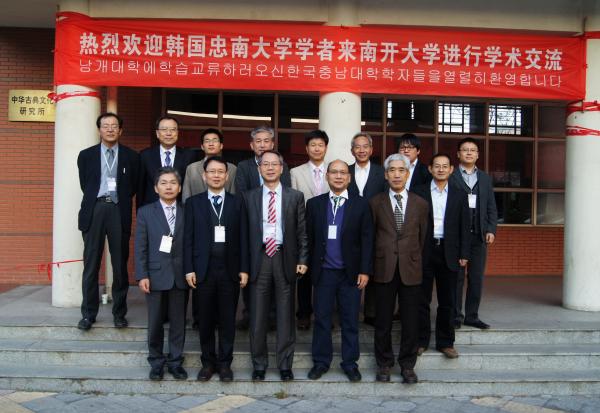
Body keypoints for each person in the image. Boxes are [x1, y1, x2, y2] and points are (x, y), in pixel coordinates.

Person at [240, 150, 308, 382]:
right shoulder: (248, 197)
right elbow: (243, 235)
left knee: (285, 315)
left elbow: (302, 231)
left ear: (281, 168)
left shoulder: (295, 196)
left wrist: (302, 260)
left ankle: (285, 364)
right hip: (259, 259)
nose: (270, 168)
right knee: (257, 316)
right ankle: (259, 364)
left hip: (284, 257)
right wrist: (243, 267)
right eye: (265, 164)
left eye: (274, 164)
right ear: (259, 168)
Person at [306, 160, 373, 382]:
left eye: (343, 172)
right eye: (333, 172)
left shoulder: (361, 204)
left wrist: (364, 270)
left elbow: (367, 240)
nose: (338, 176)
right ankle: (321, 362)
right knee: (322, 319)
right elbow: (308, 238)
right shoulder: (314, 204)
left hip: (350, 273)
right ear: (327, 176)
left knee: (350, 320)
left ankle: (350, 363)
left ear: (349, 178)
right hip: (323, 272)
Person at [184, 156, 246, 382]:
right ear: (204, 176)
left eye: (221, 171)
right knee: (206, 319)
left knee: (228, 319)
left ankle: (225, 364)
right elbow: (188, 239)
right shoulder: (193, 203)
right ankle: (208, 363)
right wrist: (189, 269)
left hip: (230, 270)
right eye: (212, 171)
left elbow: (244, 238)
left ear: (227, 176)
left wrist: (244, 268)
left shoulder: (237, 202)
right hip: (203, 270)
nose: (216, 175)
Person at [77, 112, 139, 331]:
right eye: (106, 126)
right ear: (99, 130)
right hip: (95, 209)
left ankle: (119, 314)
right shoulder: (86, 155)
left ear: (120, 130)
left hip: (118, 210)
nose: (110, 129)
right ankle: (88, 314)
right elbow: (86, 184)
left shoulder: (132, 157)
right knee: (91, 265)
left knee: (120, 266)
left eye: (114, 126)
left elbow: (132, 187)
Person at [369, 153, 428, 384]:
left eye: (401, 170)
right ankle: (384, 363)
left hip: (410, 268)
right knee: (382, 320)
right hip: (383, 267)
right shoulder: (375, 203)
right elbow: (371, 236)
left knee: (410, 321)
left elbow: (422, 238)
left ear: (407, 173)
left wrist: (411, 258)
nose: (396, 174)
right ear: (386, 175)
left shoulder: (420, 204)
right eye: (392, 170)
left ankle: (407, 365)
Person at [413, 154, 470, 359]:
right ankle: (421, 341)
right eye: (437, 166)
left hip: (450, 251)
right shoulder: (418, 192)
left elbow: (465, 225)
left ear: (451, 169)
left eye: (445, 166)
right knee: (421, 298)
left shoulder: (459, 194)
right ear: (430, 169)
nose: (441, 169)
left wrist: (464, 253)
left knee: (449, 300)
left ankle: (446, 342)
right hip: (424, 250)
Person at [234, 125, 291, 330]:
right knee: (251, 276)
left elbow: (286, 194)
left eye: (266, 141)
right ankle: (250, 315)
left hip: (276, 230)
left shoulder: (282, 166)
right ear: (251, 145)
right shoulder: (243, 166)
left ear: (272, 144)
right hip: (252, 228)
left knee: (277, 279)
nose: (262, 144)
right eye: (258, 141)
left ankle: (273, 317)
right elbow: (241, 195)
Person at [134, 167, 188, 381]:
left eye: (173, 183)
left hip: (180, 275)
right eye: (163, 183)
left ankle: (175, 362)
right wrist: (142, 275)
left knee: (178, 322)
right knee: (155, 322)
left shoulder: (187, 211)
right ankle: (156, 363)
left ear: (180, 187)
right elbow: (140, 246)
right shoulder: (145, 212)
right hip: (155, 275)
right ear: (156, 188)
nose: (168, 187)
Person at [450, 138, 498, 330]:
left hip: (479, 235)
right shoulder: (451, 176)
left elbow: (491, 206)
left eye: (473, 150)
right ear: (458, 154)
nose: (469, 153)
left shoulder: (485, 178)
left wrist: (491, 229)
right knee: (456, 278)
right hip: (457, 237)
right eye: (465, 149)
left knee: (476, 278)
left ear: (478, 155)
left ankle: (472, 316)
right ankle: (455, 316)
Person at [290, 129, 330, 330]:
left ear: (326, 148)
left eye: (320, 145)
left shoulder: (334, 170)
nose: (317, 148)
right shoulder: (295, 172)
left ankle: (326, 313)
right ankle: (304, 313)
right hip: (304, 228)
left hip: (329, 228)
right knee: (303, 271)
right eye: (313, 145)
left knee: (327, 273)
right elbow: (293, 202)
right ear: (306, 148)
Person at [347, 132, 386, 327]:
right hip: (350, 227)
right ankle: (348, 311)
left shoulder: (382, 172)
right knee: (351, 266)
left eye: (365, 146)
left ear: (371, 150)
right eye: (357, 147)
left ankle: (371, 312)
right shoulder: (345, 170)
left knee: (374, 268)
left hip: (377, 226)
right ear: (352, 150)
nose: (361, 150)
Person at [137, 116, 196, 208]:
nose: (169, 133)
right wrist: (140, 210)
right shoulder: (145, 155)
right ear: (157, 133)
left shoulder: (189, 156)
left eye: (173, 129)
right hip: (152, 208)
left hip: (180, 209)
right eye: (164, 129)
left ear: (177, 133)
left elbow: (191, 186)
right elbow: (141, 186)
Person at [182, 128, 236, 203]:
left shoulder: (232, 168)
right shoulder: (191, 168)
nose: (211, 144)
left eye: (215, 140)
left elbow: (233, 195)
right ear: (202, 146)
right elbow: (186, 195)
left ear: (221, 146)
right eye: (207, 141)